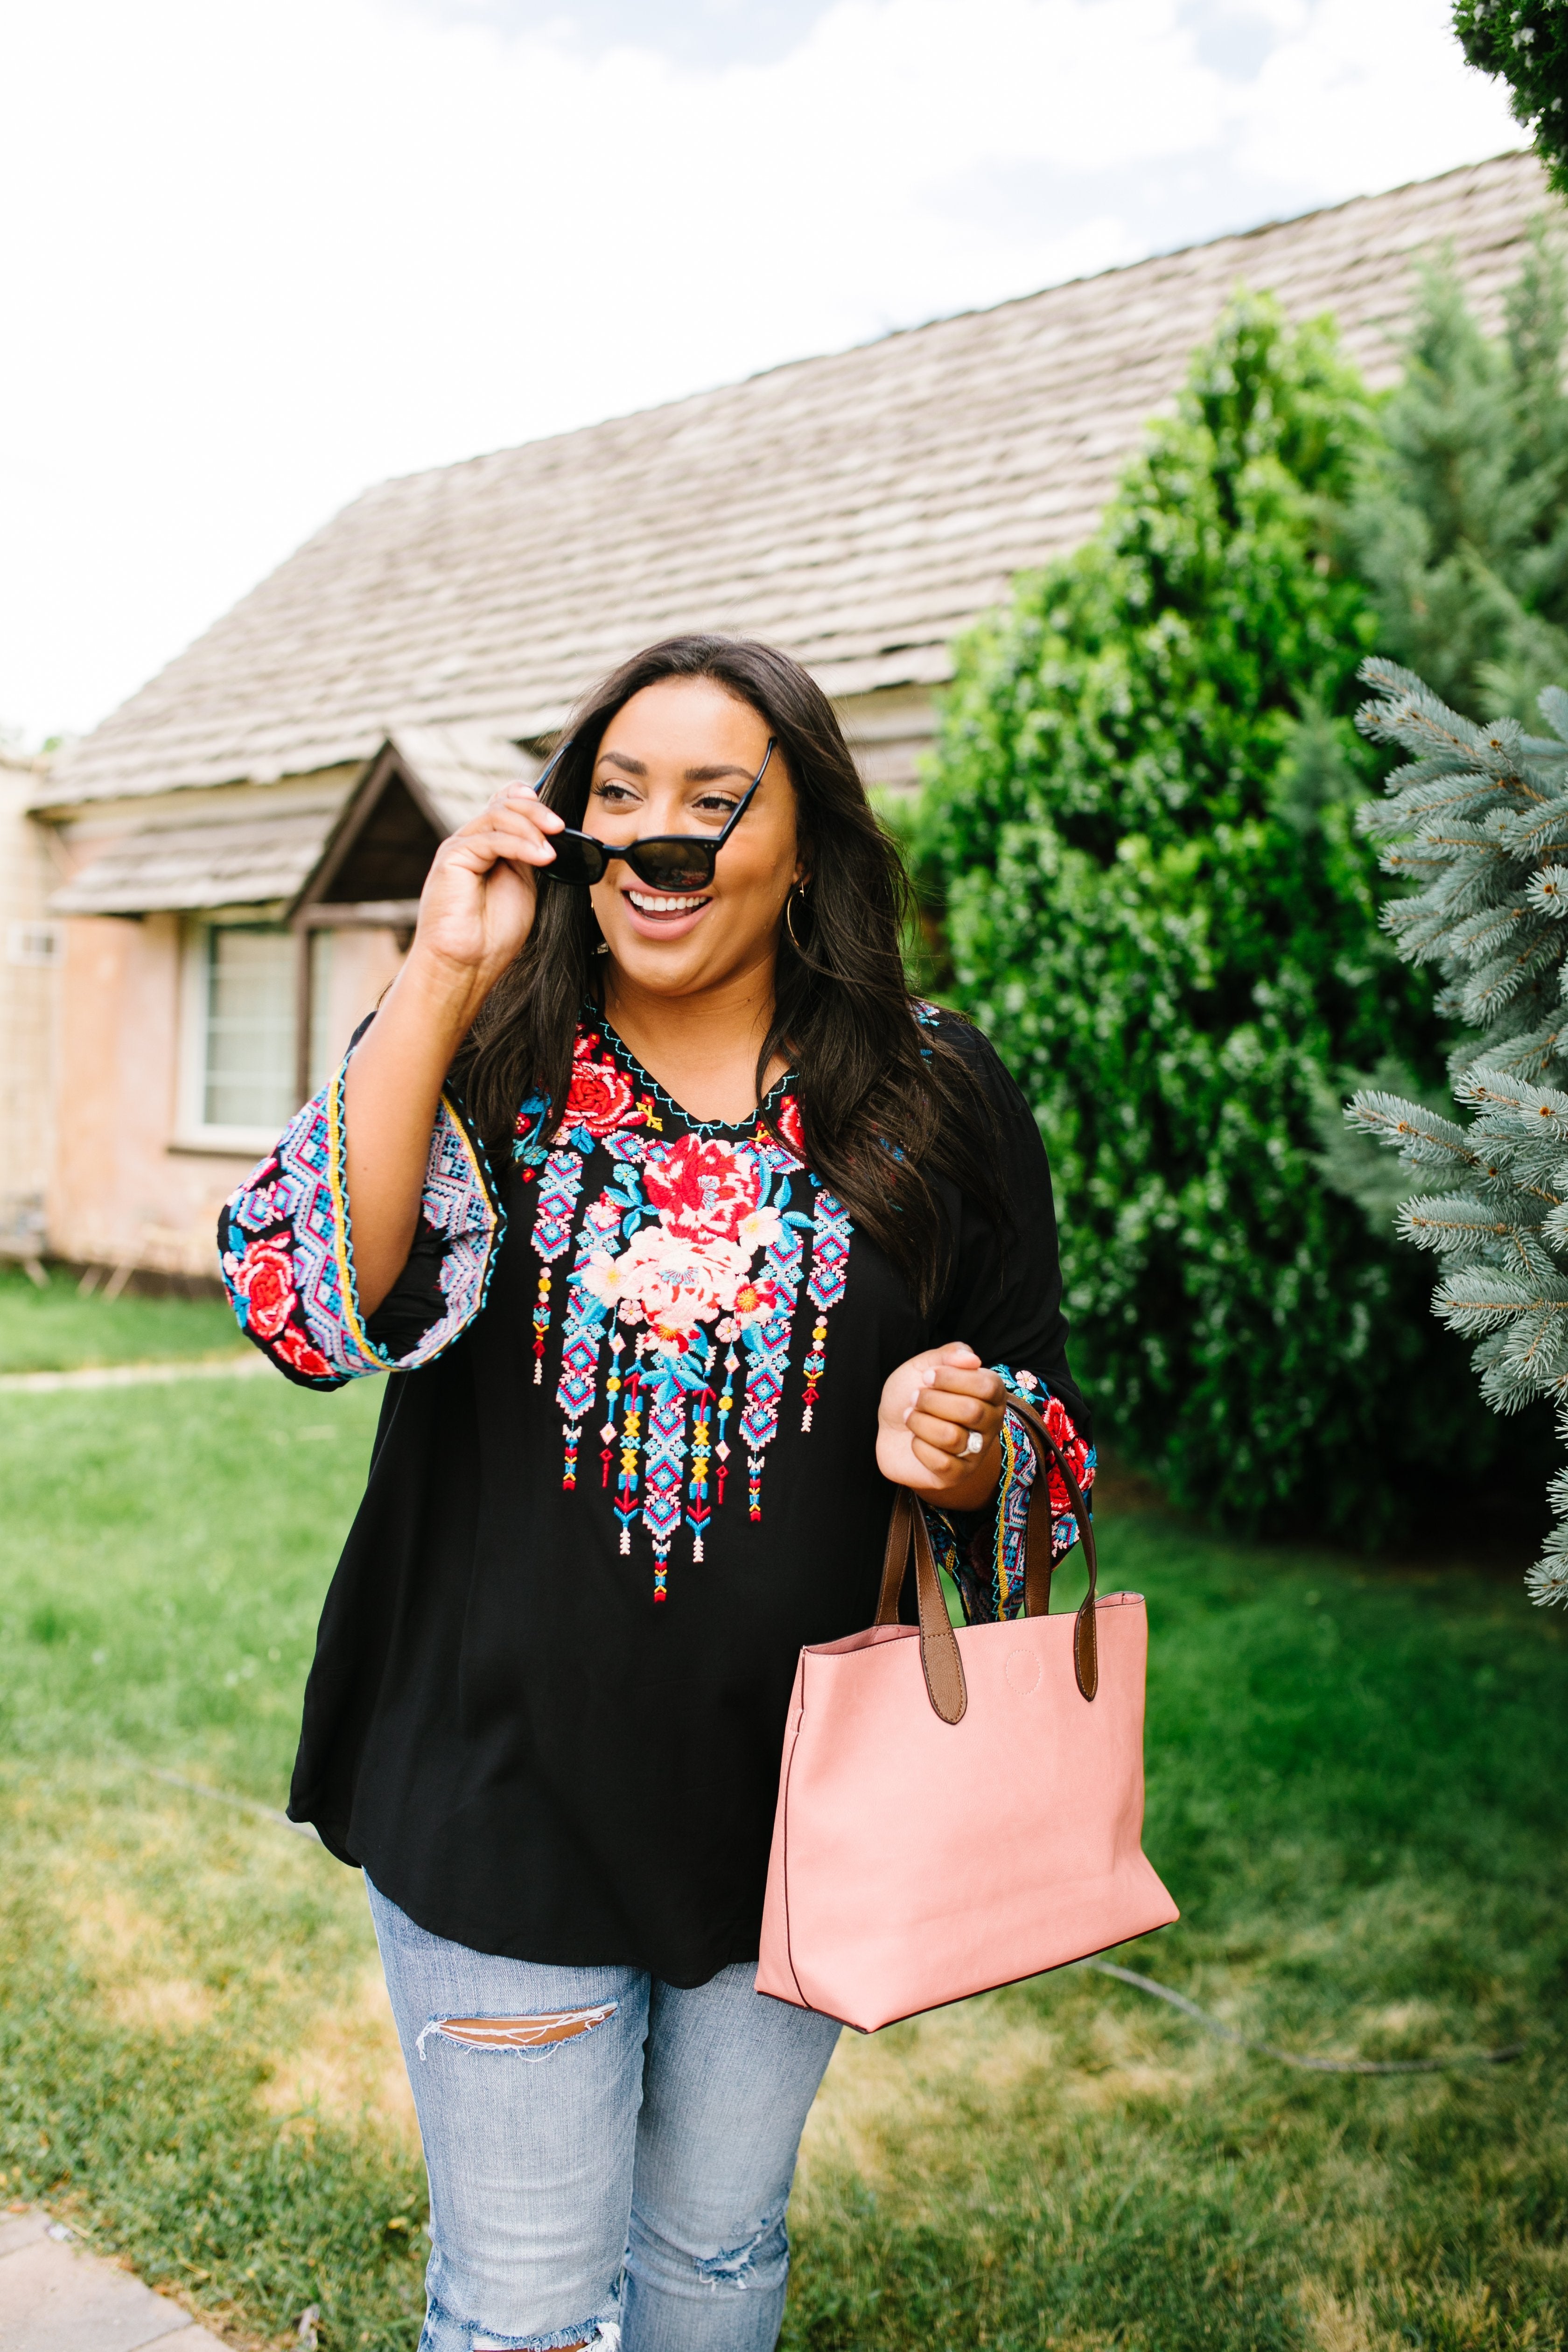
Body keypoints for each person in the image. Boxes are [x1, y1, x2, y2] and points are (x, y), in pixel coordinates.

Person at [219, 635, 1093, 2352]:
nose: (654, 837)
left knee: (713, 2258)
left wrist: (972, 1437)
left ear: (804, 845)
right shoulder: (494, 1060)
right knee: (530, 2305)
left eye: (709, 800)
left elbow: (1044, 1424)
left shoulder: (937, 1094)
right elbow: (313, 1305)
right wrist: (435, 973)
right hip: (499, 1793)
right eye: (616, 796)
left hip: (794, 1815)